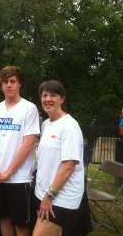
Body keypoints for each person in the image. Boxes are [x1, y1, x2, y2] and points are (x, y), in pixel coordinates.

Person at [0, 66, 40, 236]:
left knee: (21, 224)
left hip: (19, 179)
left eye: (12, 81)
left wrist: (8, 172)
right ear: (1, 85)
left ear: (20, 84)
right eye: (5, 81)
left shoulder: (29, 109)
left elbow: (28, 145)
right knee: (4, 219)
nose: (8, 85)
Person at [33, 80, 84, 236]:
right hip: (43, 192)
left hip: (60, 197)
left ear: (62, 98)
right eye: (44, 95)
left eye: (52, 95)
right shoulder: (46, 124)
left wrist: (49, 197)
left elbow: (68, 167)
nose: (47, 99)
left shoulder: (69, 126)